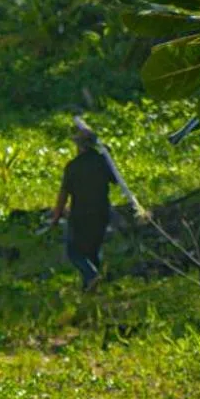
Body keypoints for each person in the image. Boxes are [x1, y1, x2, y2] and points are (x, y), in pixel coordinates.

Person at [50, 118, 145, 292]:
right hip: (102, 213)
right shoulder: (102, 162)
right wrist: (108, 158)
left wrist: (56, 217)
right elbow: (116, 179)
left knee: (74, 252)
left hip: (80, 214)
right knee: (92, 250)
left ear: (80, 146)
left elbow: (63, 194)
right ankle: (90, 288)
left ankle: (91, 276)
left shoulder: (73, 166)